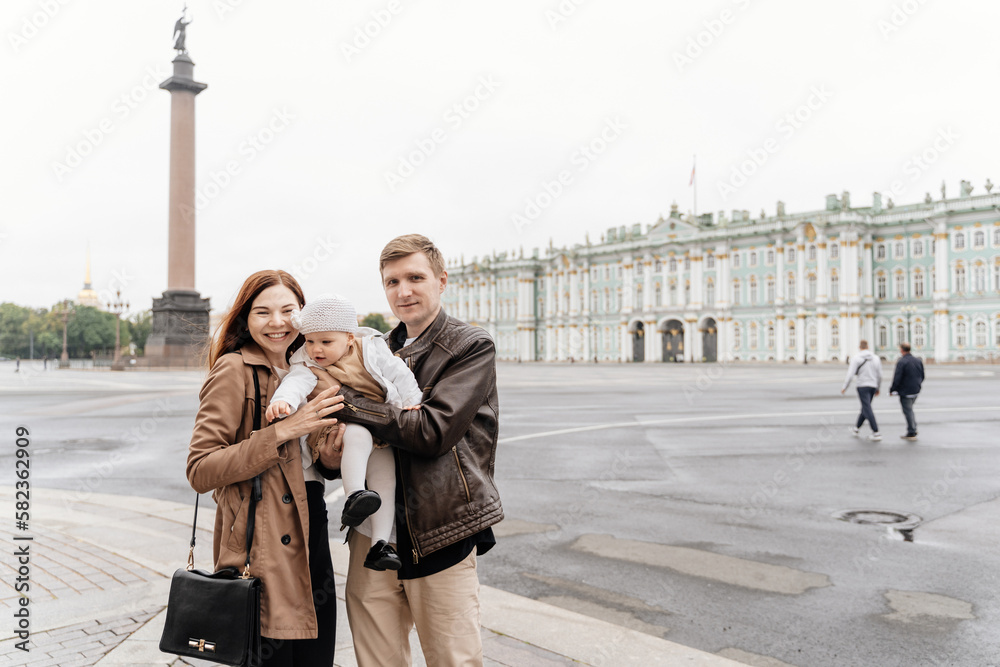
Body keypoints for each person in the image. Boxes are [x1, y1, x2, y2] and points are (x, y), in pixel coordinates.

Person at [314, 234, 503, 667]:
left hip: (440, 530)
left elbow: (433, 431)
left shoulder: (470, 346)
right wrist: (329, 451)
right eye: (392, 281)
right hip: (370, 538)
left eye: (415, 277)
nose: (403, 291)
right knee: (377, 662)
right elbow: (334, 446)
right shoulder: (367, 348)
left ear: (441, 280)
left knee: (453, 660)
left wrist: (349, 404)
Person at [186, 270, 346, 666]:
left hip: (311, 522)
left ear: (303, 315)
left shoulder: (314, 367)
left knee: (314, 654)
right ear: (246, 319)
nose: (277, 323)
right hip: (260, 539)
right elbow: (201, 469)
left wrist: (331, 457)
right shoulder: (233, 369)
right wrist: (284, 431)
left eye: (288, 310)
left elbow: (311, 465)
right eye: (262, 312)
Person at [265, 296, 423, 571]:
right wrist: (284, 402)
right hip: (335, 427)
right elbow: (296, 383)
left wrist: (412, 401)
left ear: (349, 338)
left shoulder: (371, 350)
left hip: (381, 430)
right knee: (357, 434)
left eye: (326, 342)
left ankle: (380, 545)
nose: (316, 349)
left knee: (386, 480)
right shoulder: (308, 365)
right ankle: (354, 495)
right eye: (310, 341)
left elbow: (400, 374)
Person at [841, 339, 883, 442]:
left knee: (867, 408)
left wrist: (845, 387)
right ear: (868, 346)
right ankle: (856, 428)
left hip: (862, 386)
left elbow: (850, 374)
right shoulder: (876, 358)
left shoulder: (856, 358)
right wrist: (878, 387)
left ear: (860, 347)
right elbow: (880, 375)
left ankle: (876, 432)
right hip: (873, 386)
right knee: (865, 408)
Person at [889, 342, 924, 441]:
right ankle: (913, 428)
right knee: (910, 409)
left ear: (901, 350)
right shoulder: (918, 360)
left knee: (907, 411)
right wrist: (918, 384)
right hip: (916, 390)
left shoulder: (902, 361)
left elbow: (897, 377)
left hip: (906, 391)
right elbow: (922, 375)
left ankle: (912, 431)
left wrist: (893, 389)